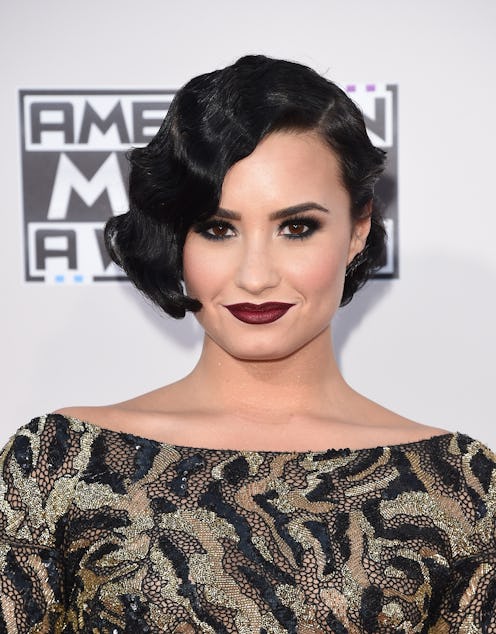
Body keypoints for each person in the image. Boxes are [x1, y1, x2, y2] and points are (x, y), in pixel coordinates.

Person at [1, 55, 495, 633]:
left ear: (358, 229)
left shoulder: (461, 487)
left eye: (297, 227)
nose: (255, 276)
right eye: (218, 229)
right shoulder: (57, 464)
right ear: (177, 237)